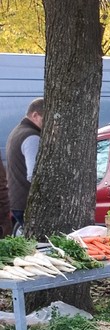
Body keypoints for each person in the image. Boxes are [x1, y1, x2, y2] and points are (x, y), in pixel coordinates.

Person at [5, 97, 42, 234]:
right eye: (45, 120)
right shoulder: (32, 137)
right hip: (27, 203)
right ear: (35, 115)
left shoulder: (17, 132)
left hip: (16, 201)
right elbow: (33, 175)